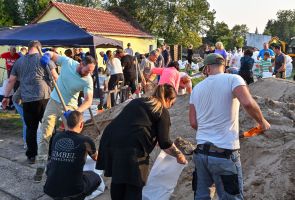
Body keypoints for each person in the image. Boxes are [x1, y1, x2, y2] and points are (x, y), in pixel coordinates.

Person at [189, 53, 270, 200]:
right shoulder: (233, 78)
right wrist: (262, 122)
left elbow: (194, 123)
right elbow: (247, 103)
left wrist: (209, 130)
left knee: (201, 196)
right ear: (224, 65)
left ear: (207, 68)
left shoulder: (197, 88)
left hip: (201, 154)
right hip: (224, 154)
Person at [96, 84, 187, 200]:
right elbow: (165, 143)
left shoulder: (137, 101)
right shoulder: (161, 111)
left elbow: (134, 123)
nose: (171, 106)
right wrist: (179, 155)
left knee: (118, 180)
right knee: (134, 184)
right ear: (168, 99)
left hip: (110, 141)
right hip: (132, 148)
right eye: (172, 103)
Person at [34, 51, 95, 182]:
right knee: (45, 135)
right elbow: (51, 54)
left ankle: (68, 167)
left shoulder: (88, 80)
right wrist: (47, 56)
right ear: (81, 64)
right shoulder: (68, 62)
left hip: (70, 108)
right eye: (87, 70)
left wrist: (76, 112)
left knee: (72, 138)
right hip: (53, 102)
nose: (88, 73)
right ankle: (40, 166)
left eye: (90, 71)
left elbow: (88, 100)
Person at [1, 40, 58, 164]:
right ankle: (50, 154)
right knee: (48, 127)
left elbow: (11, 81)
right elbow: (55, 77)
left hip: (27, 100)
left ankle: (32, 155)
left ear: (28, 48)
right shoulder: (45, 59)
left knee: (31, 129)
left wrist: (6, 97)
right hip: (44, 98)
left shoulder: (19, 61)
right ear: (39, 48)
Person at [44, 111, 101, 199]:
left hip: (50, 188)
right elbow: (97, 159)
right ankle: (78, 196)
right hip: (74, 191)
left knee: (53, 166)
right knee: (96, 177)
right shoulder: (86, 141)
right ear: (81, 124)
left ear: (67, 123)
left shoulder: (56, 137)